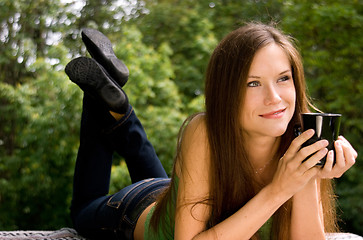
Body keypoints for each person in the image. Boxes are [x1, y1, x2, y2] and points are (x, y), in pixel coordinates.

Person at [65, 23, 357, 240]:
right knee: (82, 211)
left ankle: (109, 97)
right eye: (252, 83)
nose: (275, 98)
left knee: (159, 176)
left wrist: (306, 177)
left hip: (174, 194)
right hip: (133, 211)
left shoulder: (302, 138)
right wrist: (279, 189)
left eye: (283, 78)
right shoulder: (205, 130)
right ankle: (96, 97)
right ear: (226, 92)